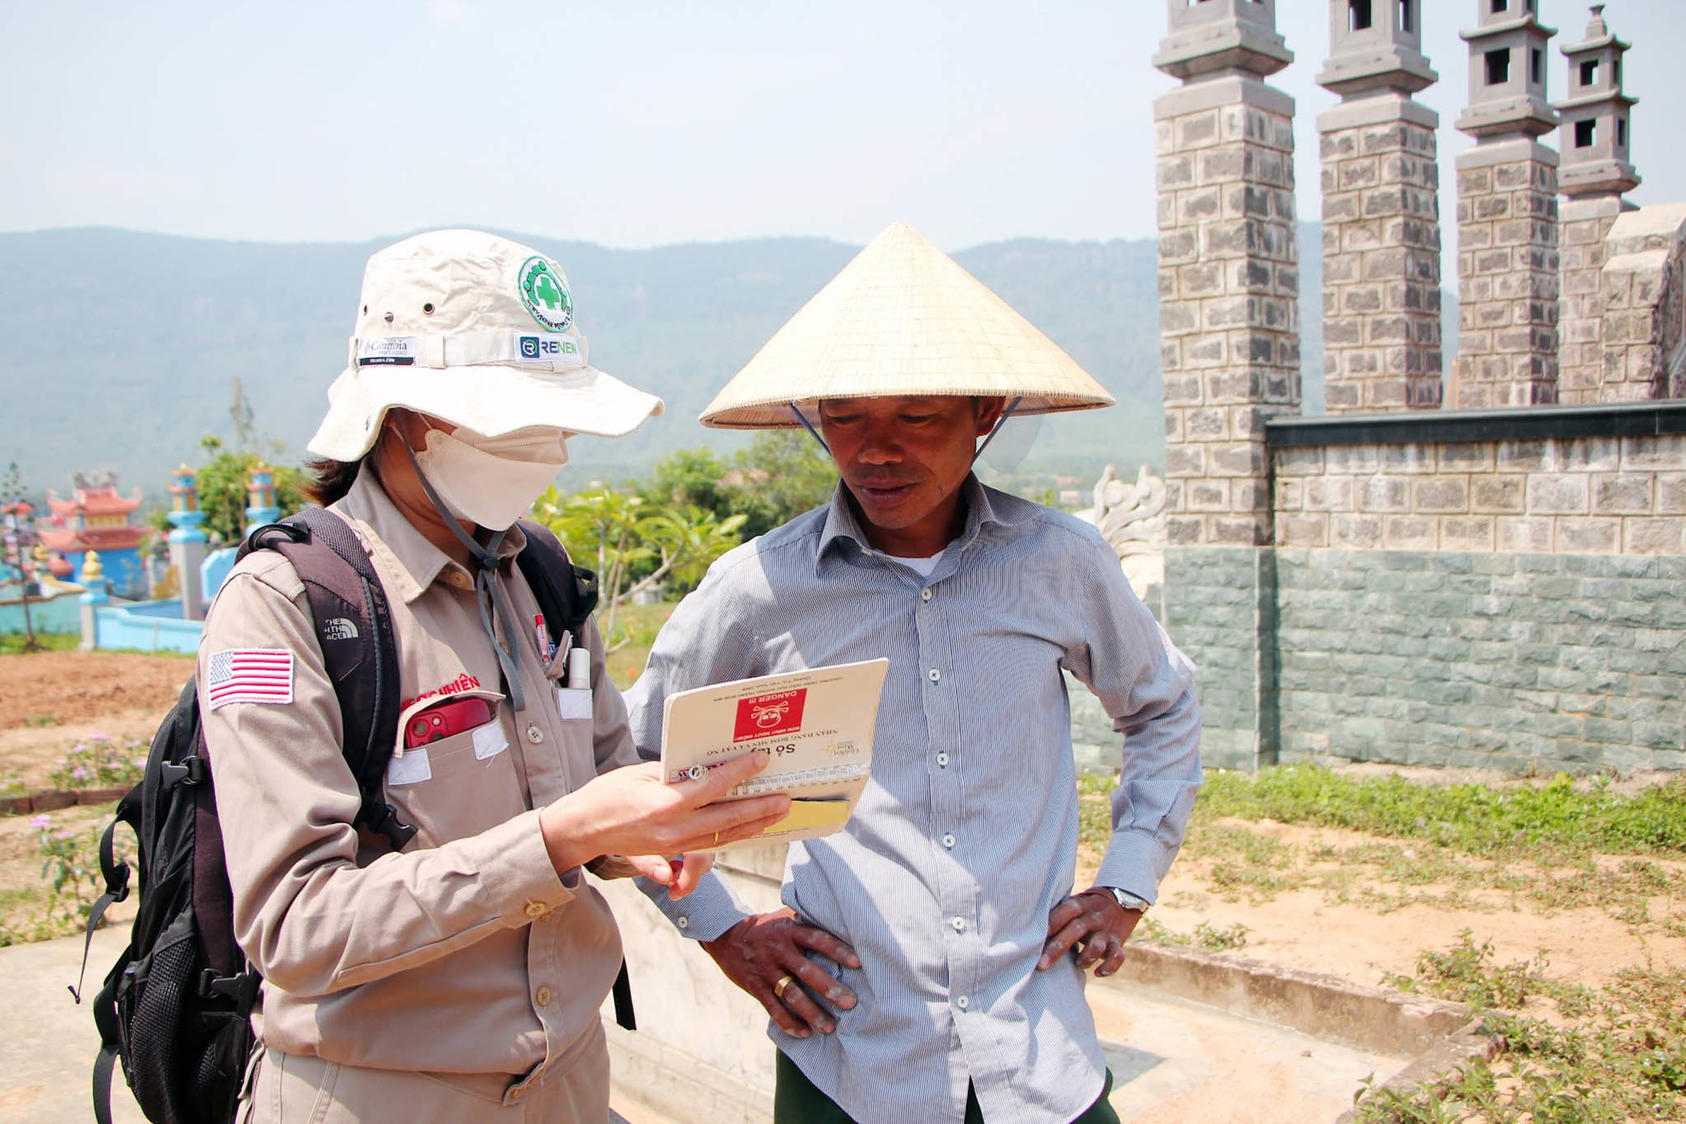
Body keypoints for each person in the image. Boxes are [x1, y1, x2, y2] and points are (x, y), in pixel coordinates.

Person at [199, 229, 789, 1122]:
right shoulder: (287, 604)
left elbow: (600, 780)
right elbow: (296, 929)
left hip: (571, 1078)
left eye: (556, 422)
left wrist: (644, 835)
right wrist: (558, 839)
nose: (547, 450)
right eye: (517, 421)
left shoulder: (539, 577)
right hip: (381, 1095)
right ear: (403, 414)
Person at [624, 222, 1203, 1123]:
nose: (875, 450)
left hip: (1038, 1054)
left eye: (917, 418)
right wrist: (722, 932)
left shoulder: (1060, 562)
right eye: (846, 418)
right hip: (851, 1059)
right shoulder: (760, 587)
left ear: (986, 414)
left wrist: (1128, 880)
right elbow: (631, 761)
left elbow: (1162, 708)